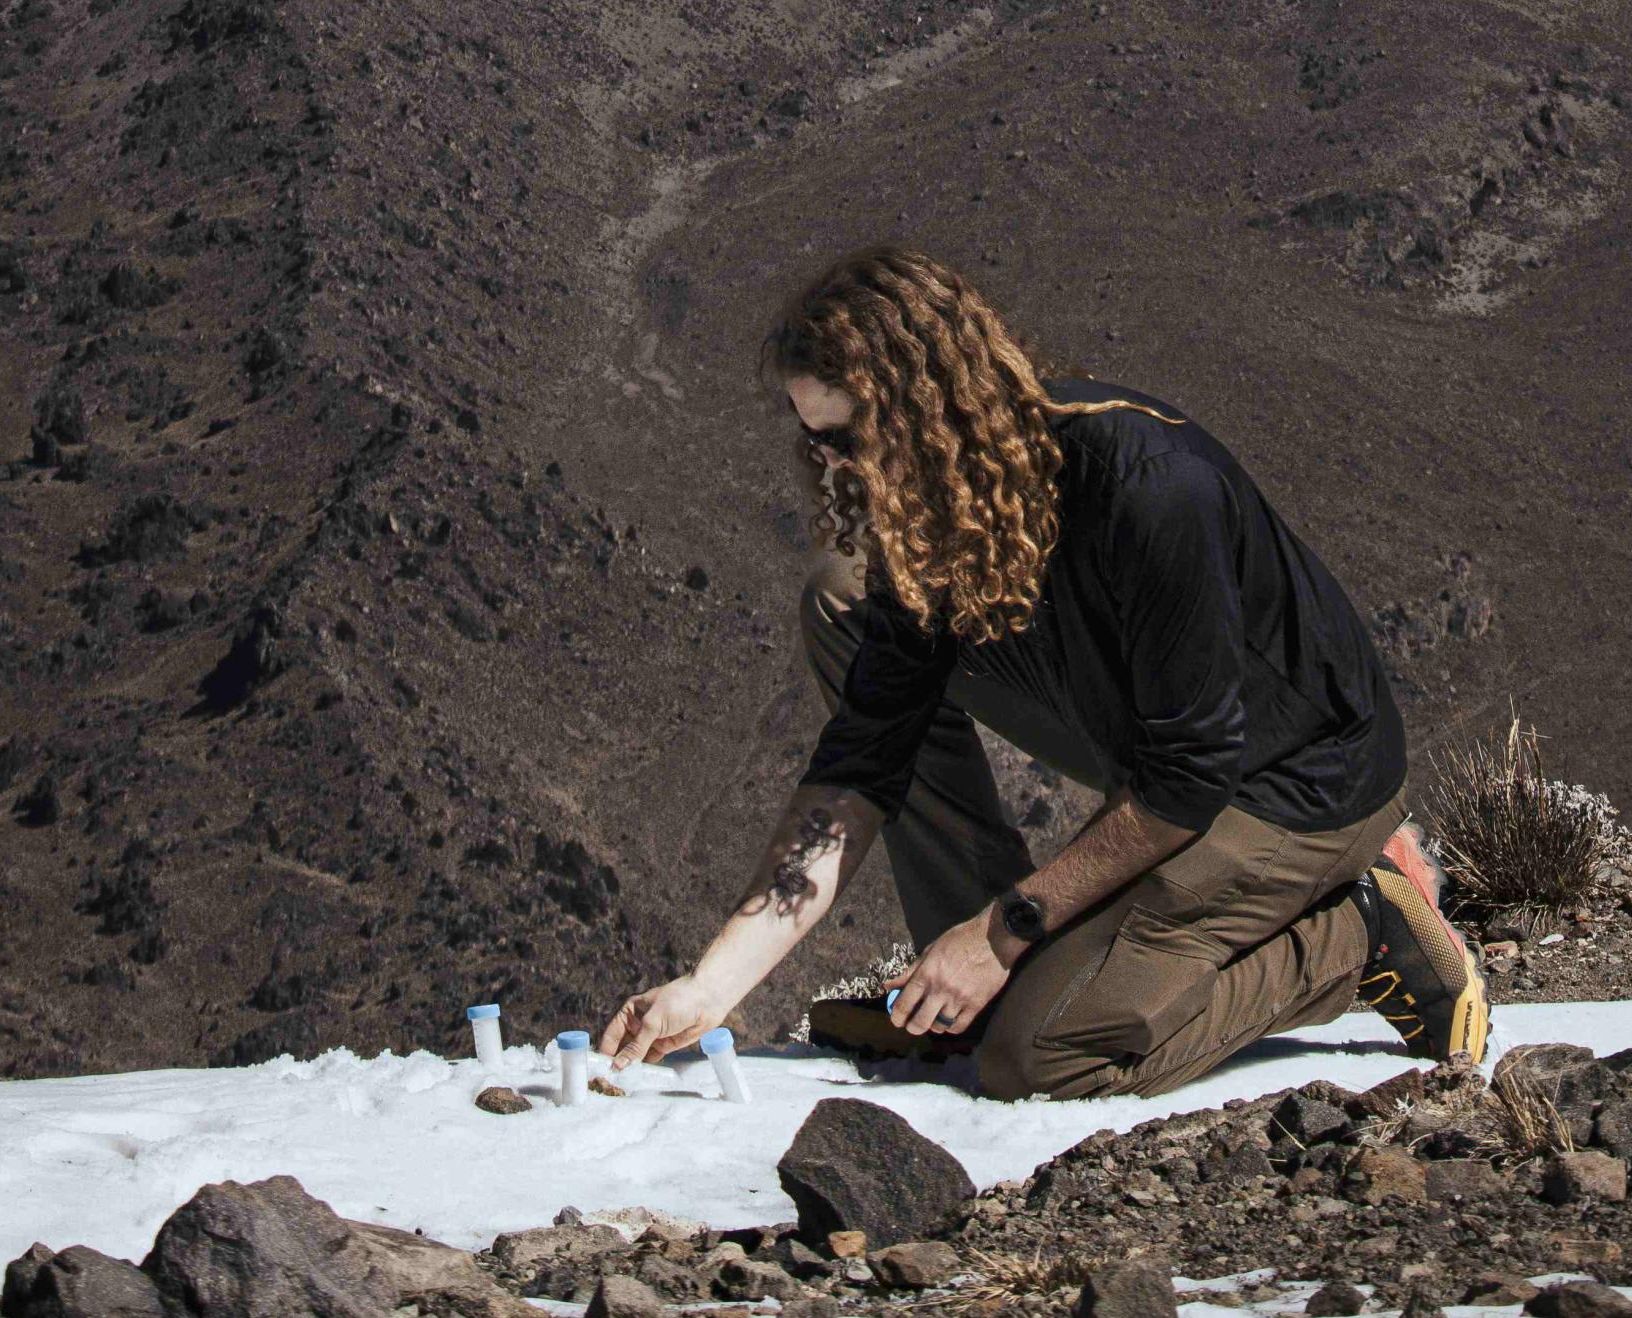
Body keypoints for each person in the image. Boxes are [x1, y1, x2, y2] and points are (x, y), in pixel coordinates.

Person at [602, 244, 1487, 1100]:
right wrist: (712, 986)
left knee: (1040, 1060)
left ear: (928, 407)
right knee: (850, 597)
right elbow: (861, 766)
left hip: (1290, 780)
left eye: (849, 438)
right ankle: (979, 997)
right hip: (1157, 745)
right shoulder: (946, 508)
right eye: (817, 443)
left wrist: (1005, 929)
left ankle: (1357, 928)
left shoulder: (1151, 487)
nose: (835, 466)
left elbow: (1190, 777)